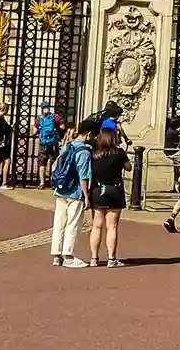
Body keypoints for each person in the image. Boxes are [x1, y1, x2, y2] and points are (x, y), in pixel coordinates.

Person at [48, 118, 96, 267]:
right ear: (88, 134)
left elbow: (56, 165)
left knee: (59, 222)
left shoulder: (67, 146)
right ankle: (68, 255)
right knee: (73, 223)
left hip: (61, 189)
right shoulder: (84, 151)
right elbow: (84, 175)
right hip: (75, 191)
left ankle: (57, 255)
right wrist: (86, 195)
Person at [86, 120, 129, 266]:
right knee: (112, 226)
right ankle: (111, 258)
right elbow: (128, 167)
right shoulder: (119, 153)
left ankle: (94, 258)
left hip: (98, 190)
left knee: (96, 225)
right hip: (114, 190)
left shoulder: (94, 153)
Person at [36, 102, 65, 188]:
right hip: (53, 143)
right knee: (54, 162)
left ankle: (42, 183)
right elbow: (62, 127)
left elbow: (35, 129)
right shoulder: (55, 116)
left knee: (42, 163)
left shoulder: (39, 118)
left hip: (43, 143)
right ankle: (53, 182)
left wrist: (39, 133)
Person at [0, 105, 14, 189]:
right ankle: (4, 183)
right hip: (3, 144)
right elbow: (4, 131)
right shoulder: (1, 119)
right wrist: (10, 128)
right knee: (7, 161)